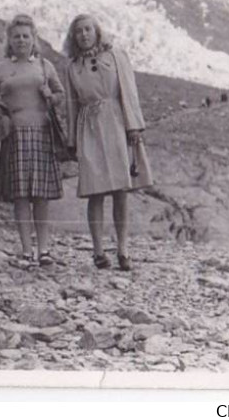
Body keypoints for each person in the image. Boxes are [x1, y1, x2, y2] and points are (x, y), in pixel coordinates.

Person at [62, 14, 151, 272]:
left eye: (88, 29)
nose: (84, 35)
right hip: (89, 128)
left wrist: (134, 126)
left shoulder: (116, 56)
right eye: (78, 31)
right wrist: (72, 140)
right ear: (74, 37)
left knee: (121, 189)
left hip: (116, 124)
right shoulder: (72, 67)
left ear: (96, 31)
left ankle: (123, 249)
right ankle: (98, 251)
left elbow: (129, 92)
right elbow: (71, 105)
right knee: (95, 191)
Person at [0, 14, 66, 267]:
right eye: (16, 36)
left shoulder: (44, 66)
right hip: (13, 136)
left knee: (40, 195)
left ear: (33, 39)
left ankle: (44, 250)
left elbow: (60, 95)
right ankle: (26, 251)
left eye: (25, 36)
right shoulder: (0, 69)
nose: (21, 40)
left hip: (41, 134)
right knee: (20, 195)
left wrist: (51, 96)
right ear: (9, 40)